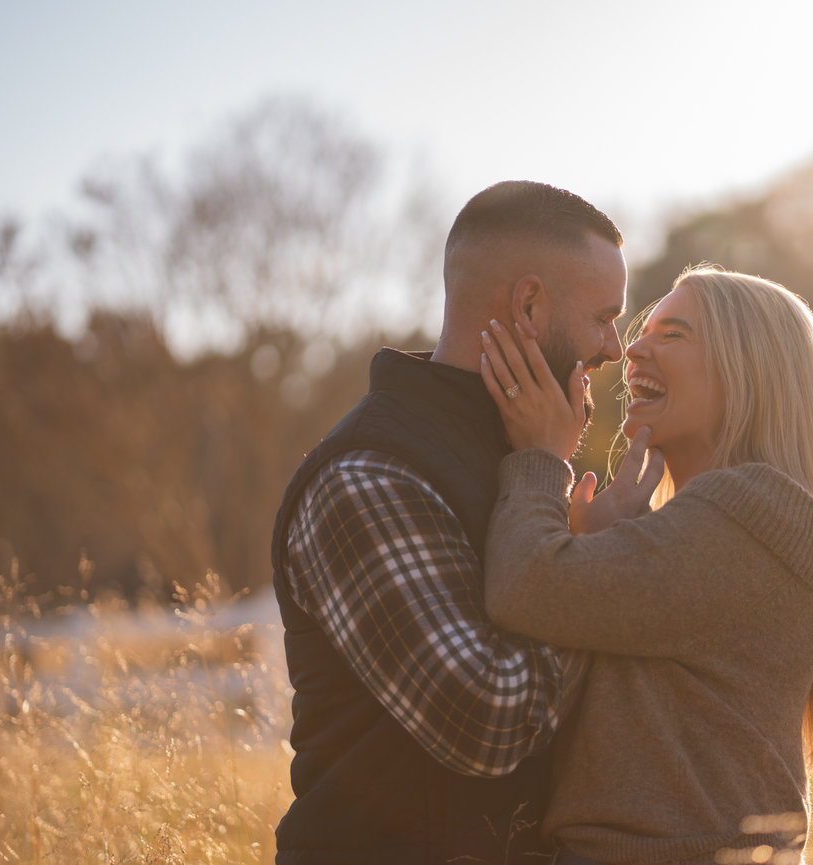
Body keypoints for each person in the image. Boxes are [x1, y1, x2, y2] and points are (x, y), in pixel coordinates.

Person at [269, 180, 629, 864]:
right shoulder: (368, 477)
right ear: (529, 305)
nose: (614, 346)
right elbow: (488, 721)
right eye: (604, 316)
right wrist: (589, 555)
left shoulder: (523, 456)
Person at [478, 264, 813, 864]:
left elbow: (525, 584)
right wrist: (597, 540)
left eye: (673, 334)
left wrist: (539, 457)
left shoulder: (757, 512)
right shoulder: (716, 525)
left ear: (748, 369)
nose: (632, 348)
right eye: (644, 330)